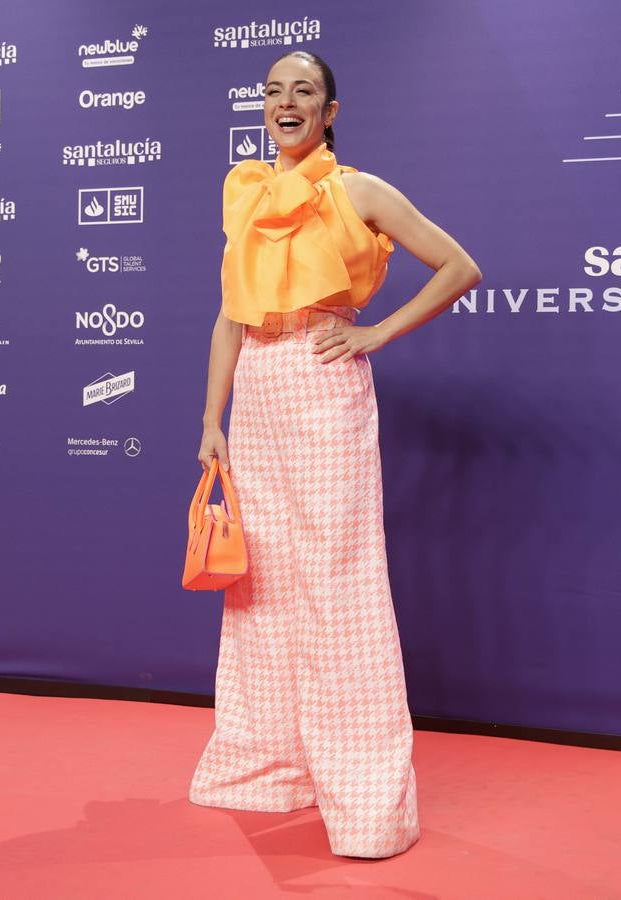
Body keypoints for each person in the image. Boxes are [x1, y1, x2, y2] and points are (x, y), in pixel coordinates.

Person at [190, 49, 481, 859]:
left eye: (304, 92)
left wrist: (375, 334)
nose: (287, 103)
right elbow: (227, 317)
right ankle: (269, 774)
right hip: (257, 395)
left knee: (338, 589)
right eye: (274, 92)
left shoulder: (357, 190)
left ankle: (364, 805)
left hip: (323, 392)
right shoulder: (243, 190)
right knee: (264, 588)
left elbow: (459, 266)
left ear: (330, 109)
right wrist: (212, 417)